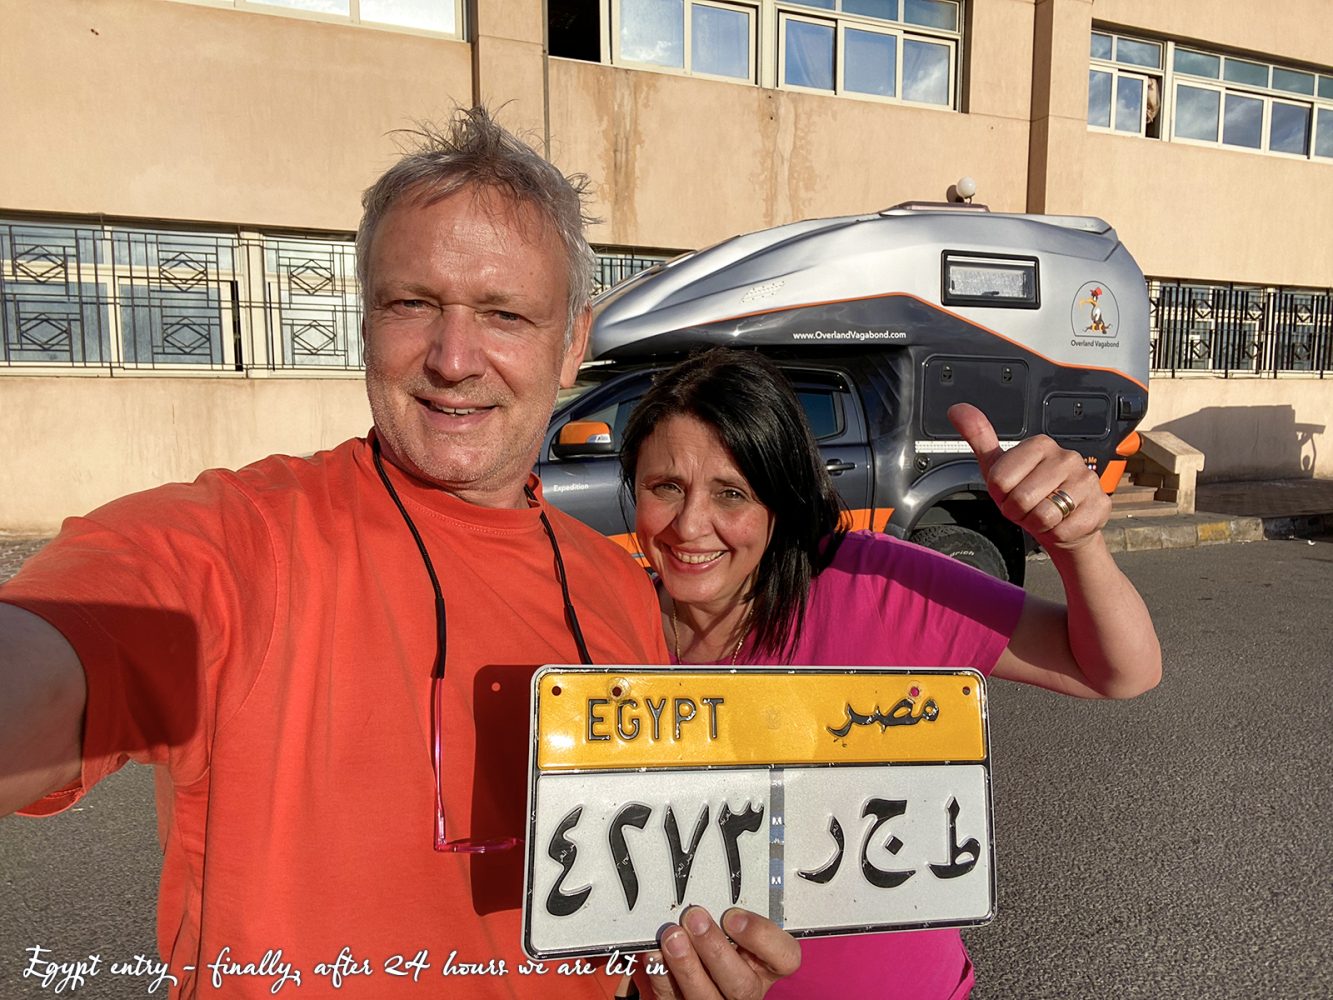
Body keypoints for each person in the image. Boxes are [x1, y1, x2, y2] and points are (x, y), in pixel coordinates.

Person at [0, 110, 798, 1000]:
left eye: (503, 313)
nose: (453, 359)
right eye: (412, 304)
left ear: (572, 341)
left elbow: (637, 895)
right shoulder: (244, 539)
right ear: (365, 318)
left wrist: (686, 966)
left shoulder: (617, 586)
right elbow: (67, 646)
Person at [619, 347, 1163, 1000]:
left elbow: (1119, 671)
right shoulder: (601, 626)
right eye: (665, 487)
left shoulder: (878, 583)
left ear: (782, 500)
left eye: (731, 493)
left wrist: (1077, 545)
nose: (688, 526)